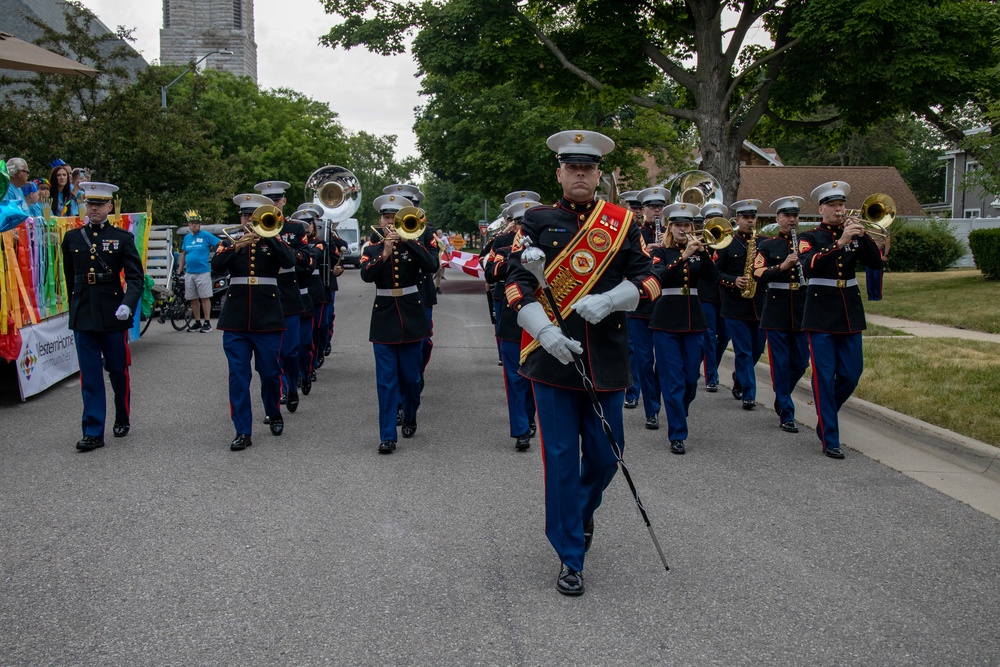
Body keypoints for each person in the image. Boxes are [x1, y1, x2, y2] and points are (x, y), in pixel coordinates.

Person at [506, 130, 658, 596]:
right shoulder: (535, 220)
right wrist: (545, 330)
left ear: (598, 176)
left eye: (588, 168)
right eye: (572, 167)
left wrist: (613, 299)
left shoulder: (621, 221)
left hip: (606, 359)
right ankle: (570, 555)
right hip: (551, 364)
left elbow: (649, 281)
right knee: (560, 463)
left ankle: (578, 513)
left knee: (606, 458)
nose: (579, 174)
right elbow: (514, 285)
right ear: (559, 172)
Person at [798, 181, 883, 459]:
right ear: (821, 208)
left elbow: (875, 263)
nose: (839, 210)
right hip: (820, 313)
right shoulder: (809, 236)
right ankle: (831, 437)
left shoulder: (856, 236)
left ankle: (826, 413)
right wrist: (841, 242)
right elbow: (809, 265)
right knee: (824, 376)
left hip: (849, 312)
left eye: (841, 205)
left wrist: (864, 236)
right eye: (833, 205)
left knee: (851, 373)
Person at [61, 182, 144, 451]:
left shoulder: (122, 238)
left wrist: (129, 304)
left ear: (110, 207)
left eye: (99, 204)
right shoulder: (72, 238)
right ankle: (93, 430)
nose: (94, 208)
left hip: (112, 312)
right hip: (84, 312)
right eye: (90, 204)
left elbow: (134, 278)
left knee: (118, 369)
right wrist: (74, 306)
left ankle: (122, 413)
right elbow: (69, 277)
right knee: (90, 373)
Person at [212, 193, 296, 451]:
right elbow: (216, 265)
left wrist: (269, 237)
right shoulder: (230, 241)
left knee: (270, 373)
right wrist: (238, 245)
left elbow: (290, 261)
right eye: (245, 215)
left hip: (267, 317)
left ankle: (273, 411)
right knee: (238, 376)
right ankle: (242, 430)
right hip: (236, 318)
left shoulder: (274, 238)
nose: (249, 219)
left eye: (253, 215)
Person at [360, 193, 438, 454]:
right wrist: (384, 252)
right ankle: (386, 436)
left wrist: (408, 240)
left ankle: (411, 414)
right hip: (383, 319)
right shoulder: (371, 249)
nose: (390, 222)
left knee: (411, 378)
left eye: (394, 217)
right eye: (386, 217)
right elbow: (366, 275)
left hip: (412, 317)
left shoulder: (415, 244)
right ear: (380, 221)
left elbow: (431, 265)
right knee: (386, 381)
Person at [649, 202, 718, 454]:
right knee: (673, 380)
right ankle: (677, 433)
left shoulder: (700, 251)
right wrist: (684, 256)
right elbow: (659, 277)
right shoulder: (661, 252)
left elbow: (712, 277)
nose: (682, 229)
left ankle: (679, 410)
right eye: (678, 224)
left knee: (691, 378)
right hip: (666, 320)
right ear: (670, 227)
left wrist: (705, 252)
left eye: (686, 224)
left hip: (693, 320)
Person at [485, 194, 540, 450]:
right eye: (519, 222)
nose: (522, 228)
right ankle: (520, 429)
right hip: (512, 315)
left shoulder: (550, 243)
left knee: (534, 375)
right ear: (513, 223)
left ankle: (530, 419)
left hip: (541, 316)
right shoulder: (503, 243)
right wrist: (516, 259)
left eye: (527, 223)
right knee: (515, 377)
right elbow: (490, 272)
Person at [753, 196, 809, 434]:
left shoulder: (807, 243)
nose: (792, 220)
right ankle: (786, 411)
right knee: (781, 363)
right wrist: (782, 267)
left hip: (801, 309)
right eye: (787, 216)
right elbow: (757, 272)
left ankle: (782, 393)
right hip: (776, 309)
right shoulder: (768, 245)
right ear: (778, 219)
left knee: (800, 362)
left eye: (795, 215)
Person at [255, 180, 309, 413]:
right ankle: (274, 402)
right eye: (269, 202)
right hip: (263, 296)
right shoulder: (255, 227)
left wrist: (281, 248)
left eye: (277, 201)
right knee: (270, 356)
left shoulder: (295, 228)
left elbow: (305, 259)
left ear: (284, 201)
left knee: (288, 351)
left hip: (287, 293)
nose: (274, 205)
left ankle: (291, 386)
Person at [714, 198, 765, 410]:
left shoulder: (764, 242)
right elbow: (715, 273)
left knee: (756, 350)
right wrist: (733, 280)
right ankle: (749, 394)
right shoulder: (727, 243)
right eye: (746, 217)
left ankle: (739, 376)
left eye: (753, 217)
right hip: (735, 306)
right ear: (737, 219)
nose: (750, 221)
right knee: (743, 350)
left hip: (759, 305)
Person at [628, 185, 669, 430]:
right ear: (643, 209)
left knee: (662, 362)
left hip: (664, 307)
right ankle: (650, 408)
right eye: (652, 207)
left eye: (659, 207)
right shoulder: (634, 233)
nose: (656, 210)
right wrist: (647, 252)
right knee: (643, 360)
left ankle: (657, 399)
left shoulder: (673, 232)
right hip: (641, 305)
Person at [696, 202, 730, 392]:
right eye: (710, 219)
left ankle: (707, 365)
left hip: (723, 295)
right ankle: (711, 376)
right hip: (706, 294)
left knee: (724, 335)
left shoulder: (726, 241)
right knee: (709, 335)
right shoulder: (701, 243)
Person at [617, 190, 645, 411]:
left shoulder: (664, 233)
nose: (637, 212)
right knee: (632, 348)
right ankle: (631, 391)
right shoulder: (621, 231)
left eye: (640, 208)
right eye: (634, 208)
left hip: (653, 300)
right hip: (625, 296)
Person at [178, 210, 220, 332]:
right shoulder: (187, 238)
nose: (194, 225)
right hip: (190, 272)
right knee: (193, 298)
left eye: (196, 223)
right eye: (191, 223)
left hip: (203, 271)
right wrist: (180, 269)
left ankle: (207, 322)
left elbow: (219, 243)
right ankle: (197, 321)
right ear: (189, 225)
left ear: (199, 225)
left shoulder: (205, 235)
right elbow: (184, 253)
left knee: (205, 297)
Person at [865, 230, 891, 301]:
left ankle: (877, 296)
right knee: (869, 274)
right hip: (869, 250)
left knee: (877, 275)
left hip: (878, 249)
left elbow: (887, 239)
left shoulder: (883, 224)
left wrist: (885, 254)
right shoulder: (868, 224)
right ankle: (870, 296)